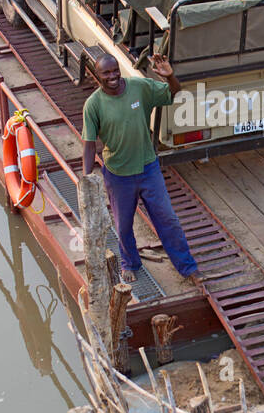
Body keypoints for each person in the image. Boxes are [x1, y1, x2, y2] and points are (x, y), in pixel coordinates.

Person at [82, 53, 199, 283]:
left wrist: (170, 76)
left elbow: (173, 93)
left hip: (148, 168)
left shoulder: (139, 87)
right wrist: (86, 179)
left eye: (115, 70)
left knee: (168, 218)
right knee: (123, 224)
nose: (113, 75)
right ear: (98, 75)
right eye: (106, 72)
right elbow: (88, 146)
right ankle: (130, 263)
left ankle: (188, 268)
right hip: (118, 175)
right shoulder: (93, 105)